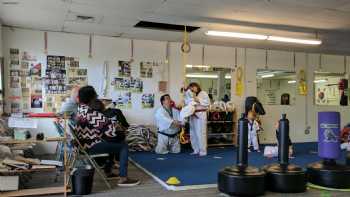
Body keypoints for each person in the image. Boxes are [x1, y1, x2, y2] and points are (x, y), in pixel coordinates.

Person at [75, 86, 140, 187]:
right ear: (92, 98)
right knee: (123, 146)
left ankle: (108, 172)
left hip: (83, 145)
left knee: (111, 143)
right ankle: (123, 178)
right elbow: (111, 131)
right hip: (91, 145)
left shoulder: (80, 110)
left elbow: (103, 126)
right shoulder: (91, 113)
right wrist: (118, 128)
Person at [187, 82, 210, 156]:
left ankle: (203, 151)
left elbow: (207, 103)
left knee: (201, 133)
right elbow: (188, 103)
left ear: (197, 87)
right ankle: (196, 149)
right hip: (192, 114)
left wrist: (196, 98)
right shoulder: (190, 95)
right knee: (193, 133)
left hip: (201, 114)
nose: (192, 89)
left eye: (194, 87)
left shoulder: (203, 93)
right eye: (191, 88)